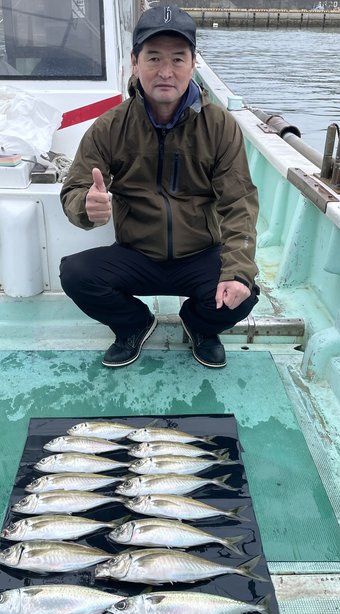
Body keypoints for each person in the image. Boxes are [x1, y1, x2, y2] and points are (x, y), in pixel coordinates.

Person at [59, 5, 259, 369]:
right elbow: (75, 187)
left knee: (244, 291)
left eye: (177, 59)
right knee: (75, 274)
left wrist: (237, 271)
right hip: (137, 254)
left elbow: (239, 202)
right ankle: (134, 324)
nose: (166, 71)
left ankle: (199, 326)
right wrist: (85, 206)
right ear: (135, 62)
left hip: (200, 253)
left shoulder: (219, 126)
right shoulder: (110, 126)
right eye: (153, 58)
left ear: (193, 64)